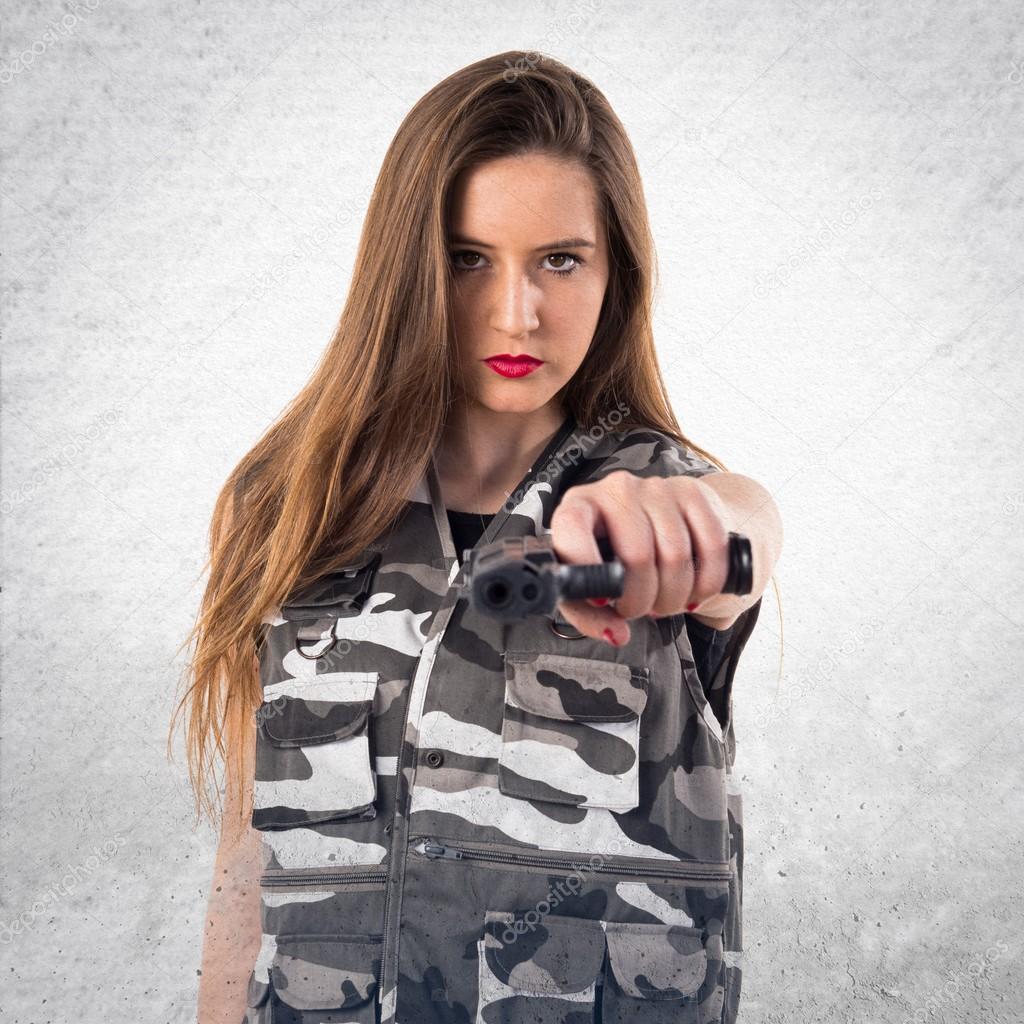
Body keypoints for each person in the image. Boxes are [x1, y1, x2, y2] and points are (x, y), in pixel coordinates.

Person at [175, 50, 783, 1024]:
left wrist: (707, 524)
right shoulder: (290, 505)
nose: (516, 312)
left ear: (613, 271)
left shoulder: (662, 501)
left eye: (560, 258)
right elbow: (251, 856)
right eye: (468, 257)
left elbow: (741, 532)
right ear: (404, 265)